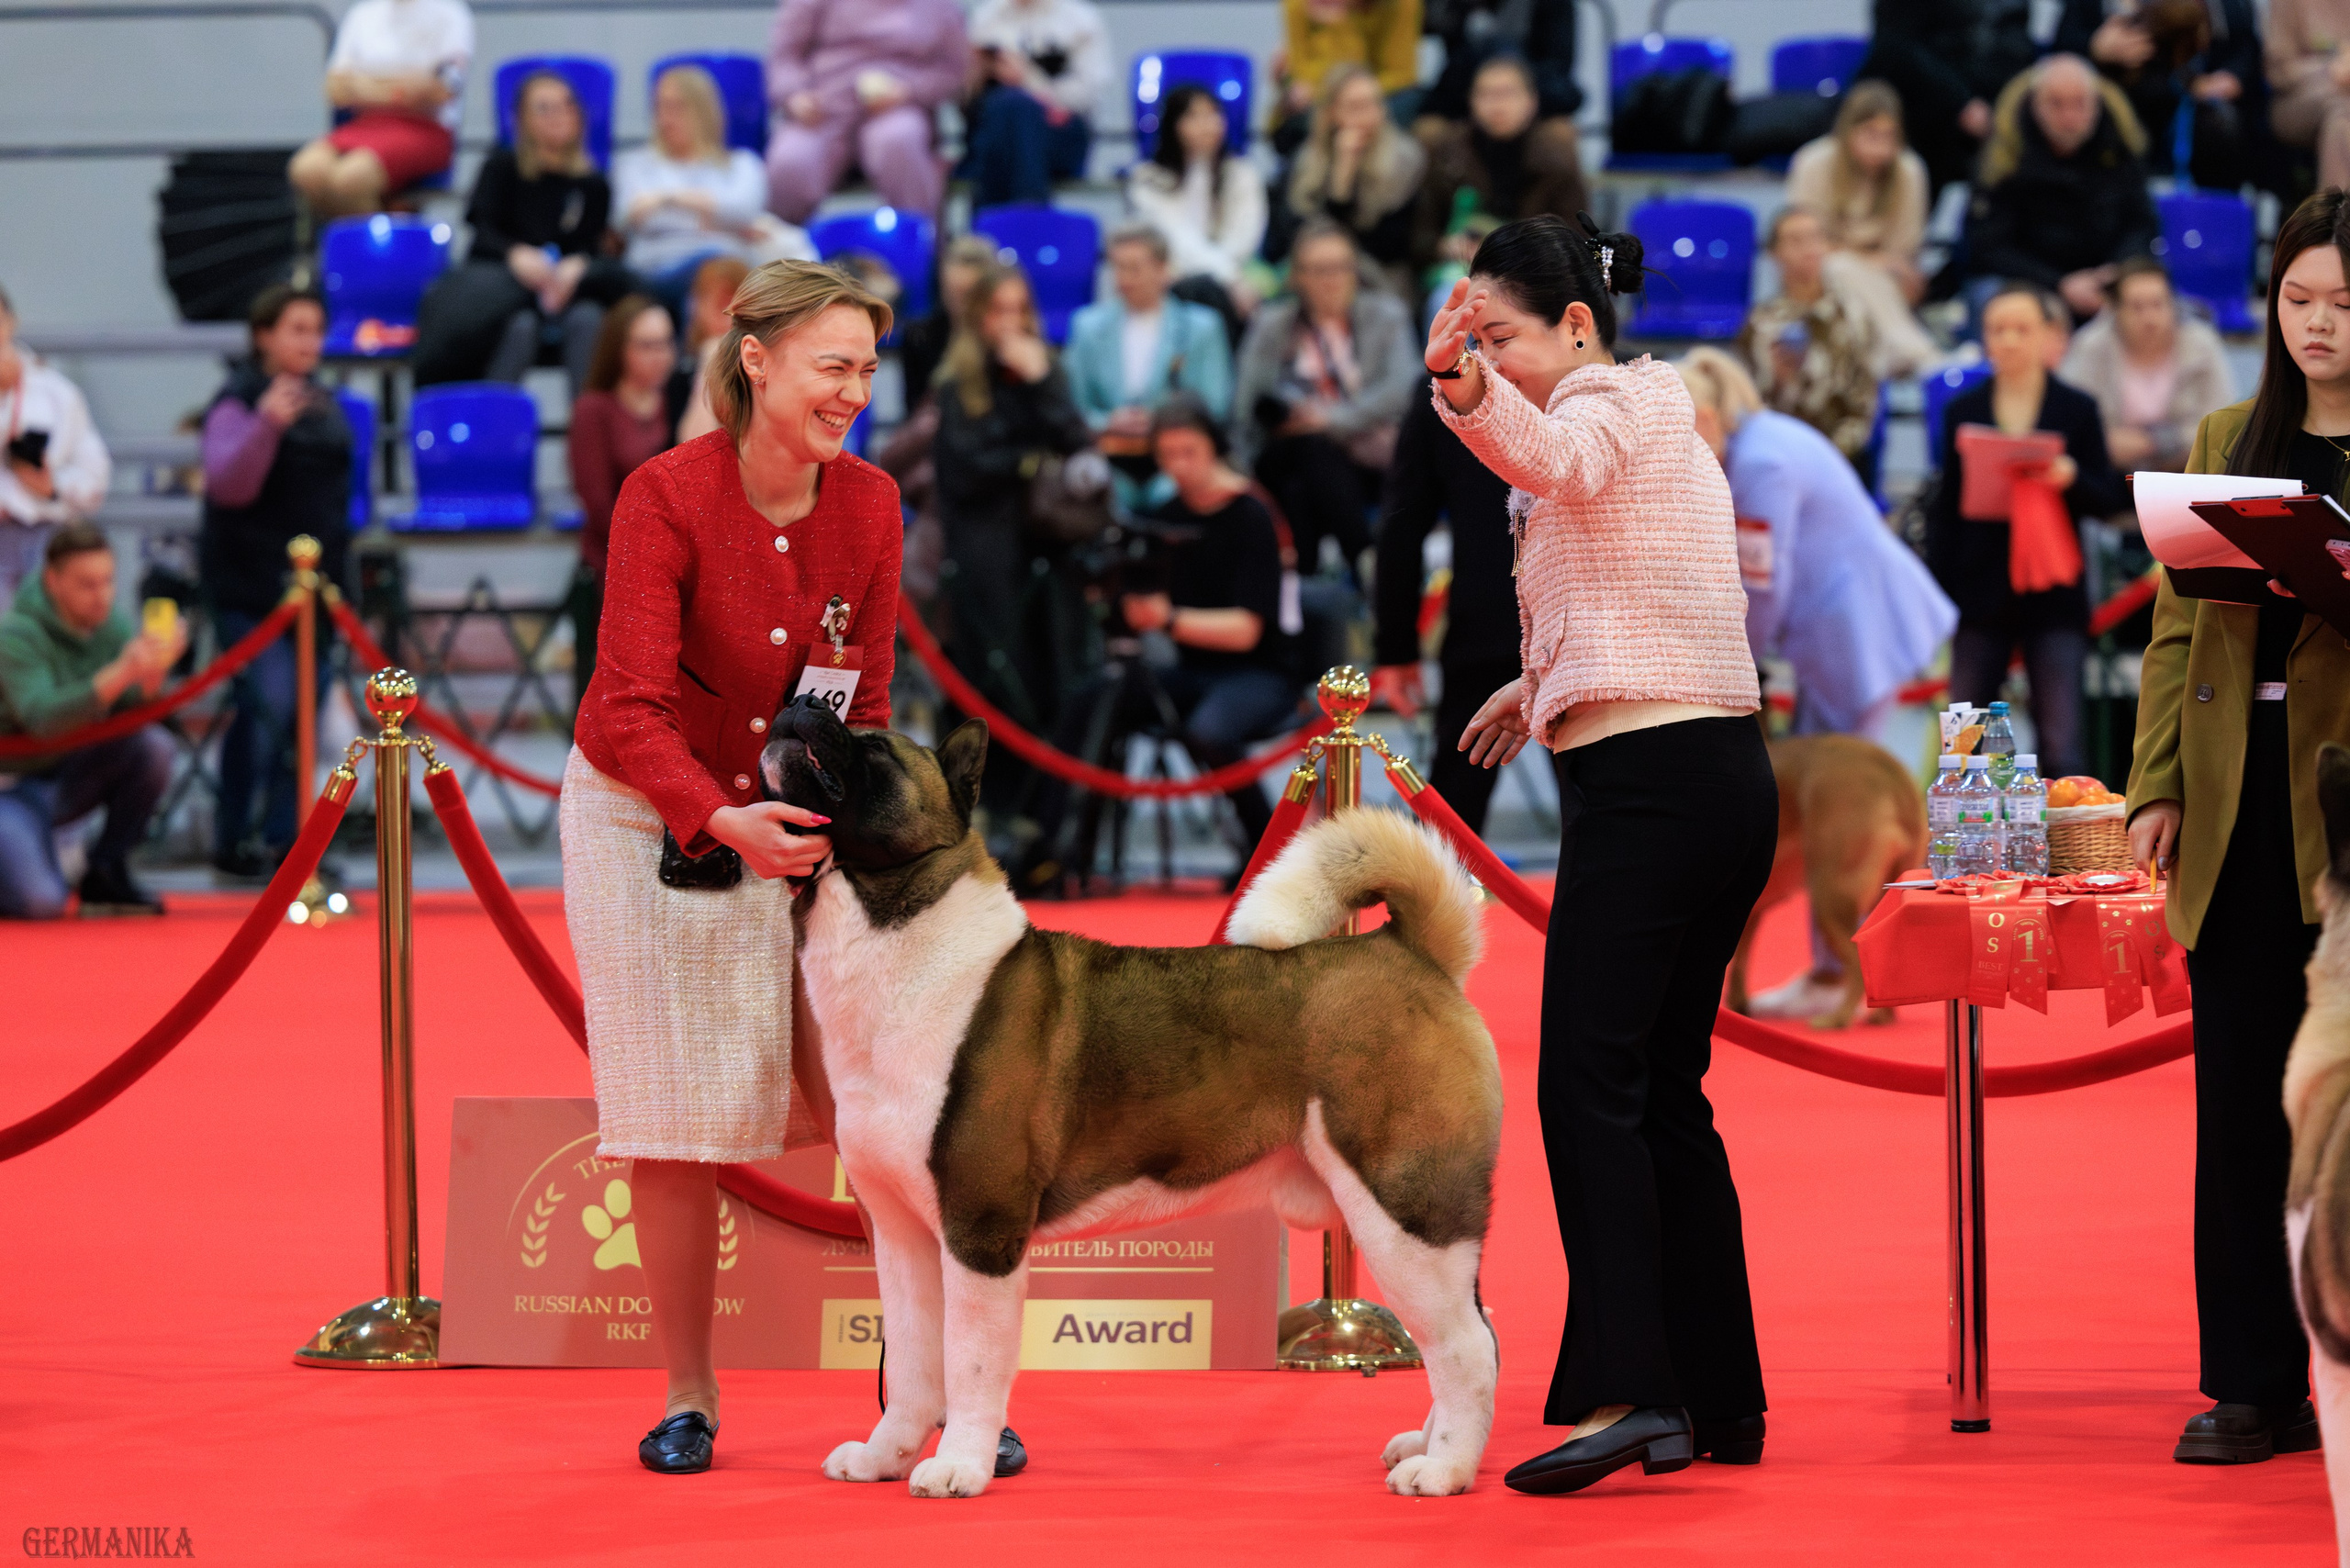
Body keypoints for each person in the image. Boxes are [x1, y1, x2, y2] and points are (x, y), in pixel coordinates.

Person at [1423, 214, 1775, 1494]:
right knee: (1661, 1094)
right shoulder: (1647, 414)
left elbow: (1561, 463)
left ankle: (1635, 1389)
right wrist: (1541, 680)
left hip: (1656, 790)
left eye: (1499, 335)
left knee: (1591, 1088)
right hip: (1708, 776)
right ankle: (1715, 1399)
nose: (1485, 359)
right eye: (1471, 338)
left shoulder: (1623, 401)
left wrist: (1461, 390)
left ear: (1576, 325)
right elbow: (1640, 582)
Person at [566, 260, 901, 1477]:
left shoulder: (872, 502)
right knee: (673, 1119)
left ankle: (914, 1391)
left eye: (865, 368)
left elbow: (863, 694)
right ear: (755, 360)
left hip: (796, 811)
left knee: (874, 1103)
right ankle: (687, 1392)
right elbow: (635, 705)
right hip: (634, 810)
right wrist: (721, 818)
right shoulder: (662, 496)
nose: (853, 391)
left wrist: (835, 823)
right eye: (832, 366)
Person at [2125, 187, 2350, 1467]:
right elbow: (2173, 640)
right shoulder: (2229, 436)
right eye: (2297, 298)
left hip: (2347, 810)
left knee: (2345, 1107)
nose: (2316, 324)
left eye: (2343, 304)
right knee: (2238, 1109)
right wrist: (2157, 787)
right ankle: (2252, 1384)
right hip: (2234, 798)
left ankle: (2344, 1361)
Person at [1677, 346, 1957, 1022]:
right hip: (1848, 642)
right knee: (1832, 821)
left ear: (1707, 419)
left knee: (1853, 826)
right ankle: (1845, 975)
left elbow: (1761, 589)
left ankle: (1846, 980)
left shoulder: (1763, 464)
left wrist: (1727, 672)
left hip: (1873, 644)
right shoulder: (1764, 440)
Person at [1013, 395, 1301, 894]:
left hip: (1260, 673)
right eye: (1167, 456)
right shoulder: (1165, 515)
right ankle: (1055, 850)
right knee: (1093, 698)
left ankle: (1268, 851)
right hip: (1192, 670)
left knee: (1210, 728)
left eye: (1188, 452)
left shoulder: (1252, 514)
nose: (1178, 467)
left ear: (1215, 447)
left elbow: (1247, 631)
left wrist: (1167, 620)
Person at [1925, 284, 2126, 779]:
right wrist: (1941, 589)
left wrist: (2070, 476)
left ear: (2048, 337)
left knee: (2062, 743)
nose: (2010, 340)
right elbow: (1946, 509)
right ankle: (1967, 849)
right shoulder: (1962, 411)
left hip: (2052, 591)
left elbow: (2109, 497)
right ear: (1984, 338)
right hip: (1979, 590)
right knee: (1964, 740)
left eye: (2022, 329)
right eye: (1998, 329)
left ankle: (2067, 853)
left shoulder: (2075, 409)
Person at [931, 262, 1094, 832]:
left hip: (1047, 550)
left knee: (1052, 673)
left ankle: (1042, 813)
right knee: (998, 679)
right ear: (977, 317)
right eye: (997, 310)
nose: (1009, 322)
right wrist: (1028, 460)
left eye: (1018, 309)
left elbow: (1076, 443)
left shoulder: (1042, 373)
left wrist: (1042, 380)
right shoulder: (958, 385)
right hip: (987, 553)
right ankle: (991, 805)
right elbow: (969, 468)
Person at [198, 285, 352, 880]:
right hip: (249, 585)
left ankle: (290, 843)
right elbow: (228, 484)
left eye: (316, 330)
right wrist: (266, 425)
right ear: (264, 335)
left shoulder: (328, 406)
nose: (309, 342)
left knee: (306, 715)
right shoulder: (236, 401)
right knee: (268, 705)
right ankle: (235, 836)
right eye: (296, 328)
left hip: (315, 589)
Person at [0, 525, 185, 918]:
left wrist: (152, 678)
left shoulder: (109, 624)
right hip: (11, 788)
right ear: (53, 581)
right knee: (40, 903)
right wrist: (121, 672)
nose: (102, 596)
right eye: (87, 584)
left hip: (67, 774)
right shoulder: (16, 634)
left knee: (154, 747)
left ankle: (105, 871)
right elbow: (42, 719)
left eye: (108, 581)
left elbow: (129, 713)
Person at [410, 71, 632, 396]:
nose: (559, 115)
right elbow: (482, 231)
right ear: (522, 119)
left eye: (567, 105)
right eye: (545, 107)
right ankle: (492, 430)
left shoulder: (594, 184)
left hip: (565, 295)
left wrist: (579, 266)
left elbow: (593, 249)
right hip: (510, 291)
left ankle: (587, 435)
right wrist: (516, 256)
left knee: (589, 320)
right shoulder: (502, 167)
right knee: (520, 326)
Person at [1369, 380, 1516, 835]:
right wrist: (1395, 648)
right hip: (1517, 627)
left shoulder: (1449, 386)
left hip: (1500, 626)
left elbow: (1402, 525)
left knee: (1451, 821)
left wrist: (1396, 649)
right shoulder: (1448, 385)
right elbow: (1402, 527)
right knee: (1452, 816)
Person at [1235, 220, 1418, 580]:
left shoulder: (1385, 316)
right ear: (1298, 276)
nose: (1331, 280)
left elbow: (1402, 387)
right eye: (1319, 270)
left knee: (1302, 485)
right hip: (1285, 452)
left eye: (1340, 268)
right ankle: (1366, 560)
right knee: (1307, 449)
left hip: (1366, 454)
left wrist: (1331, 420)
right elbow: (1248, 404)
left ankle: (1300, 590)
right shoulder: (1273, 325)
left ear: (1355, 271)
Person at [1964, 54, 2159, 327]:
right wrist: (2060, 284)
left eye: (2080, 104)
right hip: (2029, 282)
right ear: (2034, 103)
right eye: (2056, 104)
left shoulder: (2121, 147)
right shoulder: (2003, 157)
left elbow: (2141, 223)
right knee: (1999, 302)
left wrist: (2116, 272)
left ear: (2097, 103)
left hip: (2105, 280)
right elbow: (1988, 247)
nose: (2069, 117)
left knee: (2155, 297)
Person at [614, 64, 815, 324]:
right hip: (654, 270)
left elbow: (743, 212)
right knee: (713, 267)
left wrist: (664, 200)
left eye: (677, 107)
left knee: (720, 275)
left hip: (728, 271)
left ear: (704, 111)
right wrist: (717, 221)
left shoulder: (743, 164)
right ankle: (713, 359)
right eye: (660, 106)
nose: (665, 117)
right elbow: (623, 217)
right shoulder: (635, 165)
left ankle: (709, 356)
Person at [1064, 224, 1234, 505]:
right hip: (1110, 455)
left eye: (1134, 268)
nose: (1123, 280)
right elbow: (1073, 405)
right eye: (1117, 268)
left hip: (1177, 455)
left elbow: (1213, 404)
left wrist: (1159, 421)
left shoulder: (1201, 327)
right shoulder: (1087, 327)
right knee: (1104, 493)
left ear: (1163, 269)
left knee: (1171, 494)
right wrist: (1108, 421)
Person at [763, 0, 969, 224]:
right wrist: (794, 95)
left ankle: (919, 246)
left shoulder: (939, 6)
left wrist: (909, 90)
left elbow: (952, 70)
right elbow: (785, 55)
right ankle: (780, 252)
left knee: (899, 141)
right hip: (823, 109)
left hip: (896, 109)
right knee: (790, 162)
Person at [1784, 82, 1938, 377]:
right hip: (1820, 276)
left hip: (1885, 283)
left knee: (1851, 270)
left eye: (1888, 136)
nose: (1880, 148)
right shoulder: (1813, 163)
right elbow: (1805, 244)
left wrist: (1883, 265)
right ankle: (1913, 350)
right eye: (1870, 134)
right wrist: (1869, 259)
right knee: (1837, 267)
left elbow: (1903, 257)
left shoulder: (1909, 171)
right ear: (1847, 131)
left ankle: (1879, 358)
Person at [569, 297, 677, 709]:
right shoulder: (594, 410)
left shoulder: (681, 400)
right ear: (619, 349)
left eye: (665, 344)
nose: (659, 357)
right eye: (645, 345)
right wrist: (657, 556)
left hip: (683, 556)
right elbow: (599, 506)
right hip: (616, 560)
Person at [1734, 207, 1882, 491]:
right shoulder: (1758, 325)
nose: (1809, 249)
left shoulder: (1854, 318)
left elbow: (1864, 403)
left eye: (1815, 238)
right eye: (1795, 240)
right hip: (1776, 460)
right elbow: (1751, 407)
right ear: (1775, 253)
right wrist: (1779, 379)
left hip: (1841, 460)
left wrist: (1827, 458)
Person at [286, 0, 473, 216]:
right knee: (307, 170)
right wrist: (401, 90)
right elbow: (335, 89)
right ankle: (359, 239)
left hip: (426, 131)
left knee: (352, 179)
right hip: (363, 126)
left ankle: (382, 245)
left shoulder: (451, 14)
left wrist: (364, 87)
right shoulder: (362, 14)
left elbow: (442, 90)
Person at [1413, 56, 1590, 279]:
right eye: (1485, 94)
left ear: (1532, 101)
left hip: (1538, 277)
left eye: (1507, 93)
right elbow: (1419, 237)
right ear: (1470, 101)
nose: (1497, 105)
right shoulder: (1448, 154)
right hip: (1463, 272)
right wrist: (1446, 246)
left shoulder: (1556, 157)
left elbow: (1579, 240)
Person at [2055, 0, 2263, 189]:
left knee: (2221, 129)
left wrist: (2230, 78)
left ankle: (2214, 218)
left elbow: (2245, 48)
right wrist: (2095, 46)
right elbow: (2059, 49)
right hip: (2115, 96)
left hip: (2191, 102)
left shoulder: (2225, 9)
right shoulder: (2091, 8)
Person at [2060, 256, 2237, 473]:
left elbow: (2223, 426)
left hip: (2188, 472)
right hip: (2111, 476)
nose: (2149, 317)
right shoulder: (2091, 347)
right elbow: (2076, 428)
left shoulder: (2201, 343)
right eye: (2137, 307)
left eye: (2158, 304)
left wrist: (2153, 442)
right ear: (2116, 310)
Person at [1269, 63, 1427, 293]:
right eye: (1355, 107)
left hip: (1381, 273)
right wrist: (1341, 176)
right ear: (1332, 112)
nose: (1368, 117)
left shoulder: (1406, 159)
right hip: (1315, 268)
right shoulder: (1307, 160)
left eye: (1373, 104)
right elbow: (1294, 233)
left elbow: (1390, 243)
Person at [0, 285, 111, 606]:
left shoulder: (57, 393)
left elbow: (95, 478)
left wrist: (53, 487)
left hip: (46, 532)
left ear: (12, 322)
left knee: (49, 634)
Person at [1125, 82, 1270, 327]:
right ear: (1174, 124)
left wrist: (1230, 278)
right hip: (1178, 279)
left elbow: (1244, 239)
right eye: (1194, 116)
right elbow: (1175, 242)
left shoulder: (1243, 174)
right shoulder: (1146, 179)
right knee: (1199, 290)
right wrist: (1230, 279)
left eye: (1213, 114)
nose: (1207, 125)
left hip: (1236, 278)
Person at [1856, 0, 2037, 196]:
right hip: (1921, 103)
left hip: (1989, 101)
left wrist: (1996, 104)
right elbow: (1895, 45)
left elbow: (2015, 40)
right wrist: (1960, 104)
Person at [963, 0, 1113, 208]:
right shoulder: (985, 18)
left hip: (1059, 136)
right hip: (997, 132)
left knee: (1015, 111)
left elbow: (1086, 96)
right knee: (1006, 111)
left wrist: (1028, 79)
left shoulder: (1080, 20)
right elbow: (966, 102)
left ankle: (990, 228)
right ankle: (1030, 218)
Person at [1272, 0, 1422, 151]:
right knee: (1306, 115)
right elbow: (1300, 75)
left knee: (1405, 103)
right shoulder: (1299, 4)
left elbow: (1401, 75)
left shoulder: (1402, 4)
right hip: (1320, 100)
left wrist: (1355, 97)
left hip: (1380, 95)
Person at [1416, 0, 1580, 129]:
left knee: (1559, 136)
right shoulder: (1451, 6)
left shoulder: (1552, 5)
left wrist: (1516, 94)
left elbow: (1559, 72)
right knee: (1430, 130)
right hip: (1463, 104)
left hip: (1537, 104)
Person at [2269, 0, 2350, 192]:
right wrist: (2330, 69)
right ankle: (2335, 218)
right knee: (2342, 116)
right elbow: (2278, 73)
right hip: (2297, 101)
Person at [675, 255, 753, 443]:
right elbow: (691, 449)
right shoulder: (682, 375)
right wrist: (709, 365)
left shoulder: (761, 374)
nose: (729, 320)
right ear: (698, 308)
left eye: (736, 309)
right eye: (721, 306)